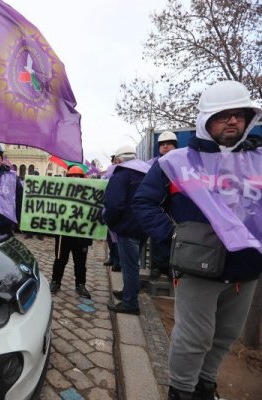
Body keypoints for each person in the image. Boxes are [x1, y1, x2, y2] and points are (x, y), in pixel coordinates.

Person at [133, 80, 262, 400]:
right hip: (199, 268)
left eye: (239, 114)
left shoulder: (257, 159)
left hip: (247, 268)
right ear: (206, 120)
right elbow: (144, 204)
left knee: (225, 336)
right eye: (223, 115)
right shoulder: (175, 162)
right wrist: (172, 238)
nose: (232, 121)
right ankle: (181, 390)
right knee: (194, 337)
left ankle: (205, 385)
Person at [103, 144, 150, 315]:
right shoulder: (147, 173)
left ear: (118, 160)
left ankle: (130, 303)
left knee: (129, 266)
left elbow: (114, 204)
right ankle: (128, 292)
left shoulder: (121, 175)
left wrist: (110, 221)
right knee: (133, 264)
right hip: (144, 227)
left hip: (127, 227)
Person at [50, 166, 93, 298]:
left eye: (77, 176)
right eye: (72, 176)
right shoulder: (61, 193)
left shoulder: (89, 194)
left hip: (81, 234)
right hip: (63, 234)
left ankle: (80, 284)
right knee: (60, 260)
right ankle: (55, 282)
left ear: (82, 178)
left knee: (80, 262)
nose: (75, 179)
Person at [149, 131, 178, 279]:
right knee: (157, 237)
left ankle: (169, 266)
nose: (165, 147)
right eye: (162, 144)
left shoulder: (181, 162)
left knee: (174, 239)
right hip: (157, 206)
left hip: (174, 207)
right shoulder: (154, 164)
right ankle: (156, 266)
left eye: (169, 144)